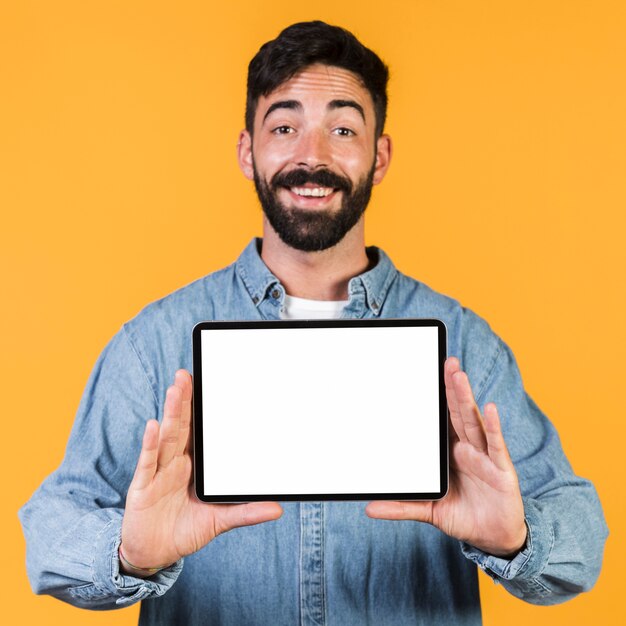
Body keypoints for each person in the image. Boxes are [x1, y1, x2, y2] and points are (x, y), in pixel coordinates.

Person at [20, 21, 607, 625]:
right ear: (248, 150)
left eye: (343, 129)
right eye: (284, 127)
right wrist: (128, 553)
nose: (312, 156)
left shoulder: (463, 346)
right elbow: (50, 533)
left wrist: (517, 539)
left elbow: (581, 542)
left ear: (379, 157)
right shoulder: (155, 343)